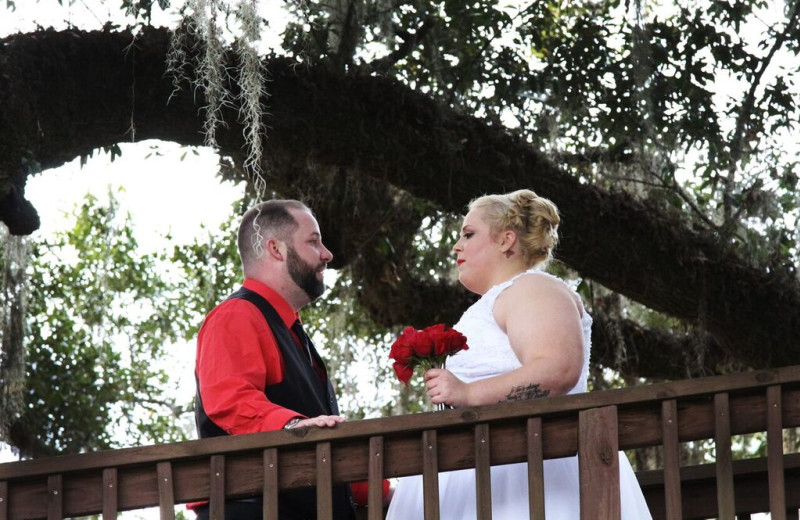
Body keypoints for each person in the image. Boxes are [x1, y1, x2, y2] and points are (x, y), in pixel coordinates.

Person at [385, 189, 652, 519]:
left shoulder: (533, 288)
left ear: (506, 240)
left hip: (530, 476)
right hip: (478, 475)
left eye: (469, 234)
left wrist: (468, 392)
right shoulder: (494, 302)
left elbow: (557, 369)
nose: (457, 246)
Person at [193, 199, 357, 520]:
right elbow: (230, 401)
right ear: (277, 249)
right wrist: (294, 427)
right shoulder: (237, 314)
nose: (327, 254)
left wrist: (378, 489)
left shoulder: (291, 331)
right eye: (313, 241)